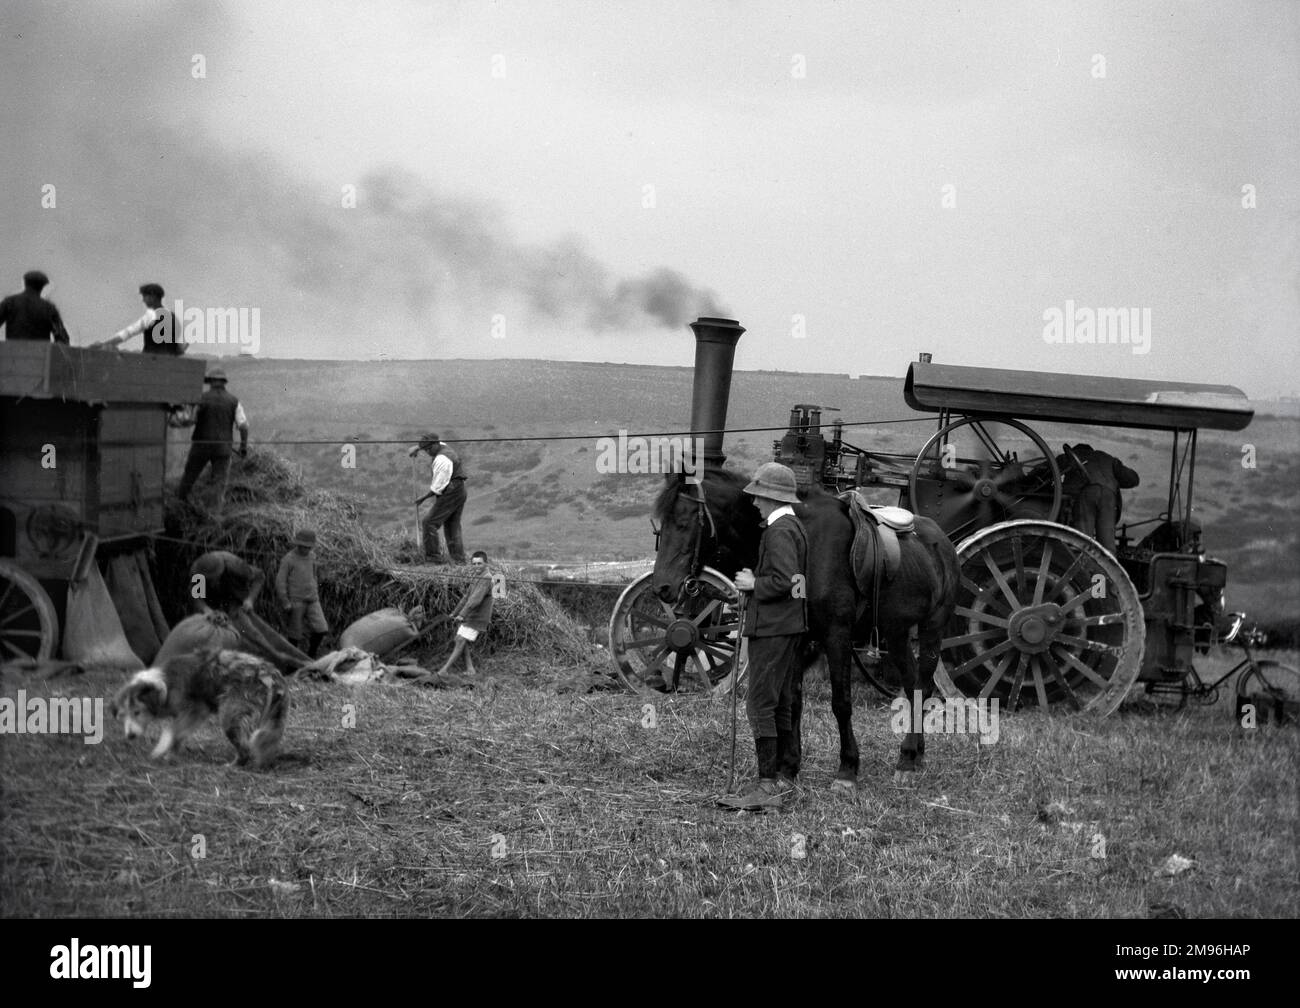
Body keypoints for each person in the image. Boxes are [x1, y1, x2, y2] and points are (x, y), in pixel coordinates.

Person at [718, 462, 808, 812]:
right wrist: (751, 592)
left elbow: (787, 580)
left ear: (771, 497)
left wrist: (754, 584)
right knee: (781, 701)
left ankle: (766, 787)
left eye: (758, 496)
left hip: (772, 630)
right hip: (787, 626)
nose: (755, 503)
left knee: (759, 705)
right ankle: (782, 779)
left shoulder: (779, 530)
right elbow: (797, 584)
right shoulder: (794, 527)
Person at [419, 550, 497, 682]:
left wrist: (462, 614)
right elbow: (466, 597)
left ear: (486, 564)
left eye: (479, 563)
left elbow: (475, 600)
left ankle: (444, 670)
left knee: (460, 640)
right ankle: (470, 668)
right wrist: (454, 613)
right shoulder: (477, 576)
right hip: (471, 614)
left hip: (478, 616)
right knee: (459, 639)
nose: (476, 566)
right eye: (474, 564)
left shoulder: (486, 578)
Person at [177, 367, 249, 505]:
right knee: (219, 483)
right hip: (223, 449)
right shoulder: (234, 401)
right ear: (224, 382)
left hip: (200, 446)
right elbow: (244, 426)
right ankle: (213, 515)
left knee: (189, 477)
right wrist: (243, 447)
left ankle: (180, 504)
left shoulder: (201, 398)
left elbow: (188, 419)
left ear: (210, 382)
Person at [1056, 443, 1140, 555]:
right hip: (1109, 496)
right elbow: (1132, 479)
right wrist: (1111, 480)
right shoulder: (1106, 458)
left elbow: (1045, 469)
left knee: (1082, 542)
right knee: (1107, 546)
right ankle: (1106, 571)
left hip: (1085, 493)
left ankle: (1082, 570)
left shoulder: (1069, 456)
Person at [410, 433, 468, 565]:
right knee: (452, 526)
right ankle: (459, 561)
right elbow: (437, 443)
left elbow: (438, 487)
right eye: (425, 450)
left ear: (435, 444)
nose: (428, 452)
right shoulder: (443, 447)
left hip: (451, 491)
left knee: (429, 522)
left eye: (429, 449)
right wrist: (418, 448)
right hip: (460, 490)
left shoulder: (442, 459)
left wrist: (423, 498)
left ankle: (433, 558)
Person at [275, 529, 328, 657]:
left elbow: (314, 575)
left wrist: (315, 587)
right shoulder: (288, 559)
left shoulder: (312, 556)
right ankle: (292, 662)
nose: (305, 549)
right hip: (296, 601)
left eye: (308, 547)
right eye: (302, 546)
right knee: (295, 634)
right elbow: (280, 582)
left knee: (321, 628)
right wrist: (285, 601)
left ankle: (311, 655)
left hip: (312, 599)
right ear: (297, 545)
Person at [96, 283, 184, 355]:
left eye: (144, 297)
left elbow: (128, 332)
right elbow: (178, 349)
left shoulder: (151, 315)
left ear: (152, 297)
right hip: (169, 364)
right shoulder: (172, 317)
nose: (143, 301)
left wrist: (106, 344)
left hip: (150, 363)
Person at [0, 270, 70, 343]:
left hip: (11, 352)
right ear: (42, 287)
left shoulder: (10, 302)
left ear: (25, 283)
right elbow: (62, 338)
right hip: (41, 353)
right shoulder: (49, 308)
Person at [189, 550, 265, 616]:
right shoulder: (198, 569)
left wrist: (250, 600)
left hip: (234, 594)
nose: (212, 581)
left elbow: (259, 576)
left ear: (219, 572)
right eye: (208, 578)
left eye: (213, 577)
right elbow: (196, 594)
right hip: (211, 597)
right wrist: (205, 609)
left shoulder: (235, 565)